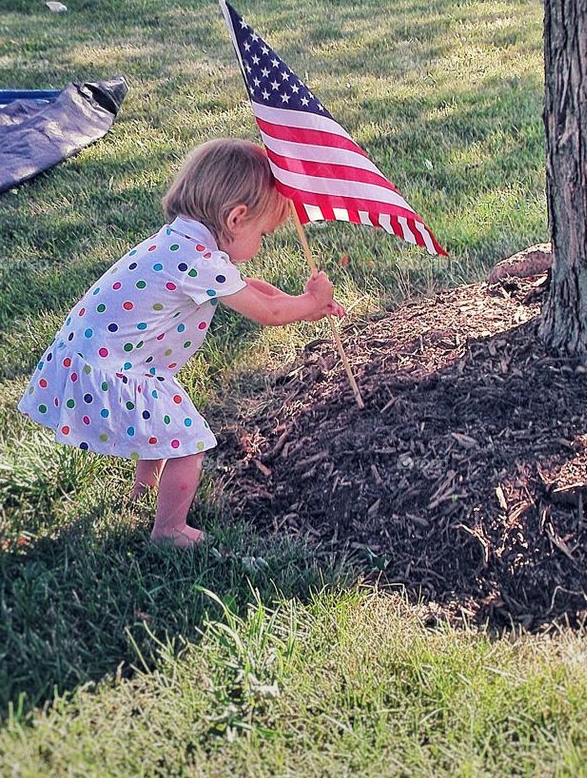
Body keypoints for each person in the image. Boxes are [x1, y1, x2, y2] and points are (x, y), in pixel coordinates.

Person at [19, 138, 344, 549]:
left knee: (160, 426)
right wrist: (309, 302)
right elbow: (268, 314)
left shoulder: (183, 240)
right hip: (114, 368)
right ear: (236, 218)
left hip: (107, 355)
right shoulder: (198, 260)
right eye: (264, 233)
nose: (262, 243)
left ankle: (143, 491)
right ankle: (169, 530)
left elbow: (252, 291)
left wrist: (301, 304)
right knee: (188, 443)